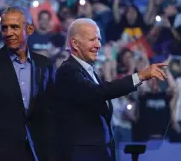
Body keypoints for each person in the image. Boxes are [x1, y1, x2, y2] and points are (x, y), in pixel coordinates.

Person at [53, 18, 168, 161]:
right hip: (81, 155)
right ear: (75, 43)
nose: (98, 45)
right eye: (92, 40)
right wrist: (140, 76)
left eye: (99, 39)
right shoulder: (68, 71)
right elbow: (99, 92)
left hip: (99, 153)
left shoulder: (89, 71)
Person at [0, 6, 56, 161]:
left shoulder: (45, 65)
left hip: (36, 153)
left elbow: (51, 113)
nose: (8, 33)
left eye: (15, 27)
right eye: (4, 28)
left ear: (30, 29)